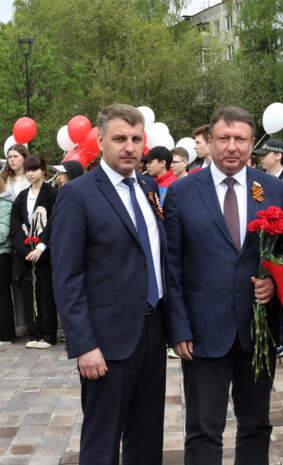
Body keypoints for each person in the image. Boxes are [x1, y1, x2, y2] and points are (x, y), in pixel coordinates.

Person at [164, 106, 283, 465]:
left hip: (257, 329)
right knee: (203, 430)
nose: (232, 146)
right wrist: (178, 328)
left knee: (256, 426)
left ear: (252, 144)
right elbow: (171, 266)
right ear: (210, 141)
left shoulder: (272, 189)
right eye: (224, 138)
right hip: (202, 332)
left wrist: (274, 281)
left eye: (241, 139)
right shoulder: (181, 192)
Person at [51, 103, 167, 465]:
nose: (129, 147)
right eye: (120, 139)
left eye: (136, 139)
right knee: (102, 444)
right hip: (106, 343)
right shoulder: (78, 194)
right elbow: (66, 276)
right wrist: (84, 345)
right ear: (100, 141)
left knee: (147, 440)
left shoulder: (148, 187)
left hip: (153, 333)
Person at [10, 155, 58, 349]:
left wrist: (40, 247)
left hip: (45, 253)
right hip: (26, 255)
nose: (30, 174)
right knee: (28, 293)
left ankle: (48, 334)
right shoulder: (22, 196)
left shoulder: (52, 194)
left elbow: (54, 222)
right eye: (28, 170)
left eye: (34, 169)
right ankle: (34, 332)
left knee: (46, 292)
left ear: (43, 171)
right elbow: (15, 225)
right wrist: (24, 250)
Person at [0, 179, 15, 345]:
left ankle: (5, 335)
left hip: (2, 256)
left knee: (2, 296)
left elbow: (2, 234)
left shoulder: (5, 205)